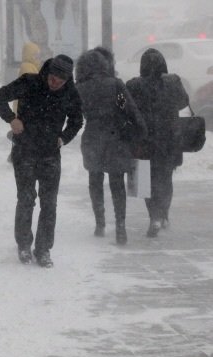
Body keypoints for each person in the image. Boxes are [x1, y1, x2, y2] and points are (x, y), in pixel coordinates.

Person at [0, 54, 83, 267]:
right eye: (52, 79)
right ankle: (24, 245)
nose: (55, 84)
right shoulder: (29, 82)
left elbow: (77, 120)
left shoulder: (71, 93)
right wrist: (11, 119)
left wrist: (64, 138)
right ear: (47, 72)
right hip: (24, 150)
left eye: (60, 82)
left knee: (49, 203)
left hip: (50, 153)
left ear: (67, 80)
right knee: (26, 199)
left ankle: (43, 249)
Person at [75, 49, 146, 245]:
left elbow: (75, 113)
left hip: (92, 138)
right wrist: (140, 131)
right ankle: (121, 227)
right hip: (115, 139)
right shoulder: (115, 86)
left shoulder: (80, 88)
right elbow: (126, 108)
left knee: (95, 181)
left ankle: (100, 223)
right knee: (117, 184)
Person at [126, 48, 189, 238]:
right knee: (165, 178)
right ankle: (163, 214)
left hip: (143, 141)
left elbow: (122, 105)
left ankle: (154, 215)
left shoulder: (133, 85)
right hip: (169, 140)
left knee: (145, 181)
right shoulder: (173, 81)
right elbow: (183, 102)